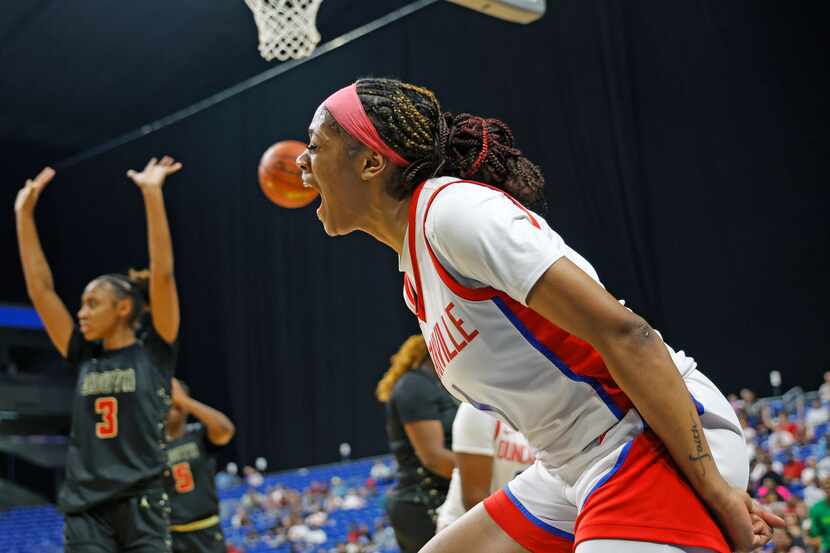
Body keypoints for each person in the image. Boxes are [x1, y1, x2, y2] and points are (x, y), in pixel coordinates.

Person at [295, 78, 783, 552]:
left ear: (371, 162)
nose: (299, 160)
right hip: (568, 467)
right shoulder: (416, 269)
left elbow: (629, 334)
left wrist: (715, 489)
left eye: (315, 146)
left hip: (643, 438)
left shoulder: (453, 212)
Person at [15, 157, 181, 552]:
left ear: (123, 308)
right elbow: (41, 291)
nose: (81, 312)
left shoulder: (156, 349)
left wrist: (153, 195)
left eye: (93, 303)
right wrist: (23, 215)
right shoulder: (83, 353)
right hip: (86, 508)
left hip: (142, 500)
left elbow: (162, 275)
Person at [376, 335, 458, 553]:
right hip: (423, 502)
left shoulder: (443, 386)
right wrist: (483, 473)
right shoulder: (414, 384)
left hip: (441, 498)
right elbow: (433, 458)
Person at [436, 402, 533, 532]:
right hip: (468, 529)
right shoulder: (477, 408)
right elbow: (474, 498)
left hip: (519, 529)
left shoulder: (548, 411)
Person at [165, 378, 235, 553]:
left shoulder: (198, 436)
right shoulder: (149, 445)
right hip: (166, 534)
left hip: (205, 531)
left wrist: (184, 400)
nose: (172, 402)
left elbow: (226, 430)